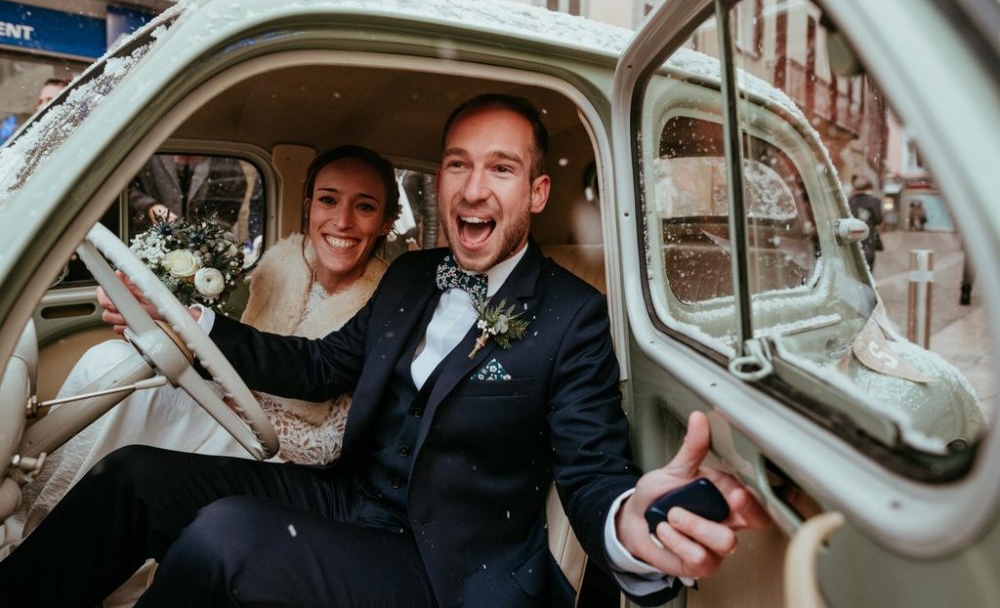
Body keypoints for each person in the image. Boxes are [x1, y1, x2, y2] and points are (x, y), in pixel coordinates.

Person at [0, 95, 766, 607]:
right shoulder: (408, 276)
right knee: (135, 477)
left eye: (500, 169)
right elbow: (320, 366)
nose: (473, 188)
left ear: (534, 193)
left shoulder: (573, 319)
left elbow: (595, 473)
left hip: (444, 565)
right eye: (459, 165)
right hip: (349, 497)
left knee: (224, 538)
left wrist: (633, 526)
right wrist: (192, 326)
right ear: (440, 182)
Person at [1, 145, 397, 556]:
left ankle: (68, 545)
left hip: (283, 456)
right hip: (229, 406)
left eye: (364, 207)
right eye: (329, 200)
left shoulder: (385, 303)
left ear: (386, 222)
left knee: (138, 410)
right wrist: (173, 329)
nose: (342, 221)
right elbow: (252, 352)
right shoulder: (282, 265)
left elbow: (327, 423)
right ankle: (39, 523)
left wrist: (228, 396)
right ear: (309, 205)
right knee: (111, 362)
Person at [128, 153, 260, 236]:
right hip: (148, 244)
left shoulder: (225, 162)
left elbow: (232, 198)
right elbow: (124, 187)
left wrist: (211, 226)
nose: (187, 161)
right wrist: (149, 207)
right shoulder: (147, 150)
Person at [849, 176, 883, 269]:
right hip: (868, 237)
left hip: (851, 237)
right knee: (868, 267)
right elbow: (878, 219)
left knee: (853, 265)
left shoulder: (849, 200)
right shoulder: (874, 201)